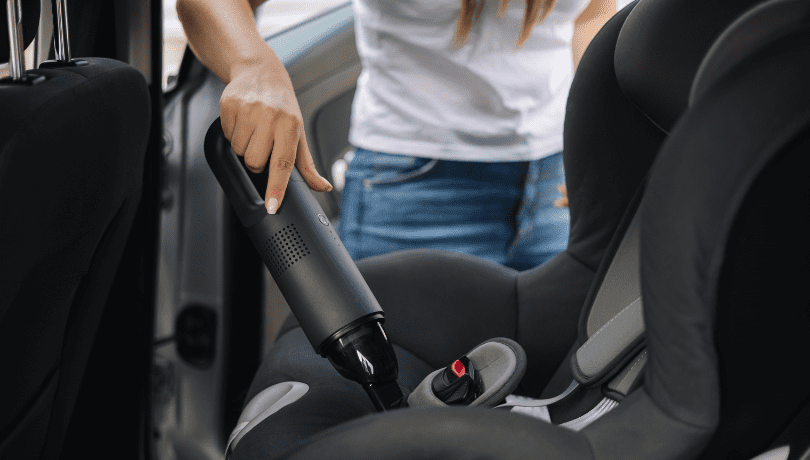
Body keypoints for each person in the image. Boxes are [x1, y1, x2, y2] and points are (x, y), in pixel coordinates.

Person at [177, 0, 615, 270]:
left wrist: (596, 137)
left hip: (558, 183)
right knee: (405, 405)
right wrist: (254, 65)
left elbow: (591, 15)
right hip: (416, 188)